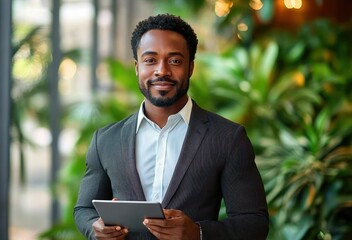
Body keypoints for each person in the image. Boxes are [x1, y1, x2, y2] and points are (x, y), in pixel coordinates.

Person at [74, 13, 269, 240]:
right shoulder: (105, 140)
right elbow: (84, 210)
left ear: (191, 67)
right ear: (137, 67)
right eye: (150, 60)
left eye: (175, 60)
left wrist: (198, 233)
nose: (162, 71)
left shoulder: (227, 138)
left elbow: (254, 223)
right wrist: (94, 228)